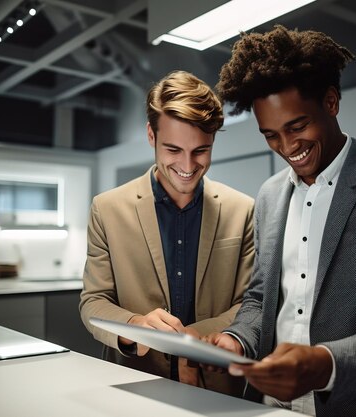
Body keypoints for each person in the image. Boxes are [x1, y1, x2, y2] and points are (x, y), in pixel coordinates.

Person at [203, 25, 356, 416]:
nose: (287, 147)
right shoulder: (268, 196)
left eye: (297, 127)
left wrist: (326, 364)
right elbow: (261, 298)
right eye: (271, 136)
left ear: (331, 102)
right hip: (268, 405)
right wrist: (238, 338)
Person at [80, 70, 254, 396]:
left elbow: (248, 304)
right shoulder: (107, 208)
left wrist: (192, 339)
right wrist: (135, 326)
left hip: (216, 387)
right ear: (151, 135)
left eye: (201, 150)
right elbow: (93, 301)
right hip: (132, 384)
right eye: (173, 150)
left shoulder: (243, 210)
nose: (188, 166)